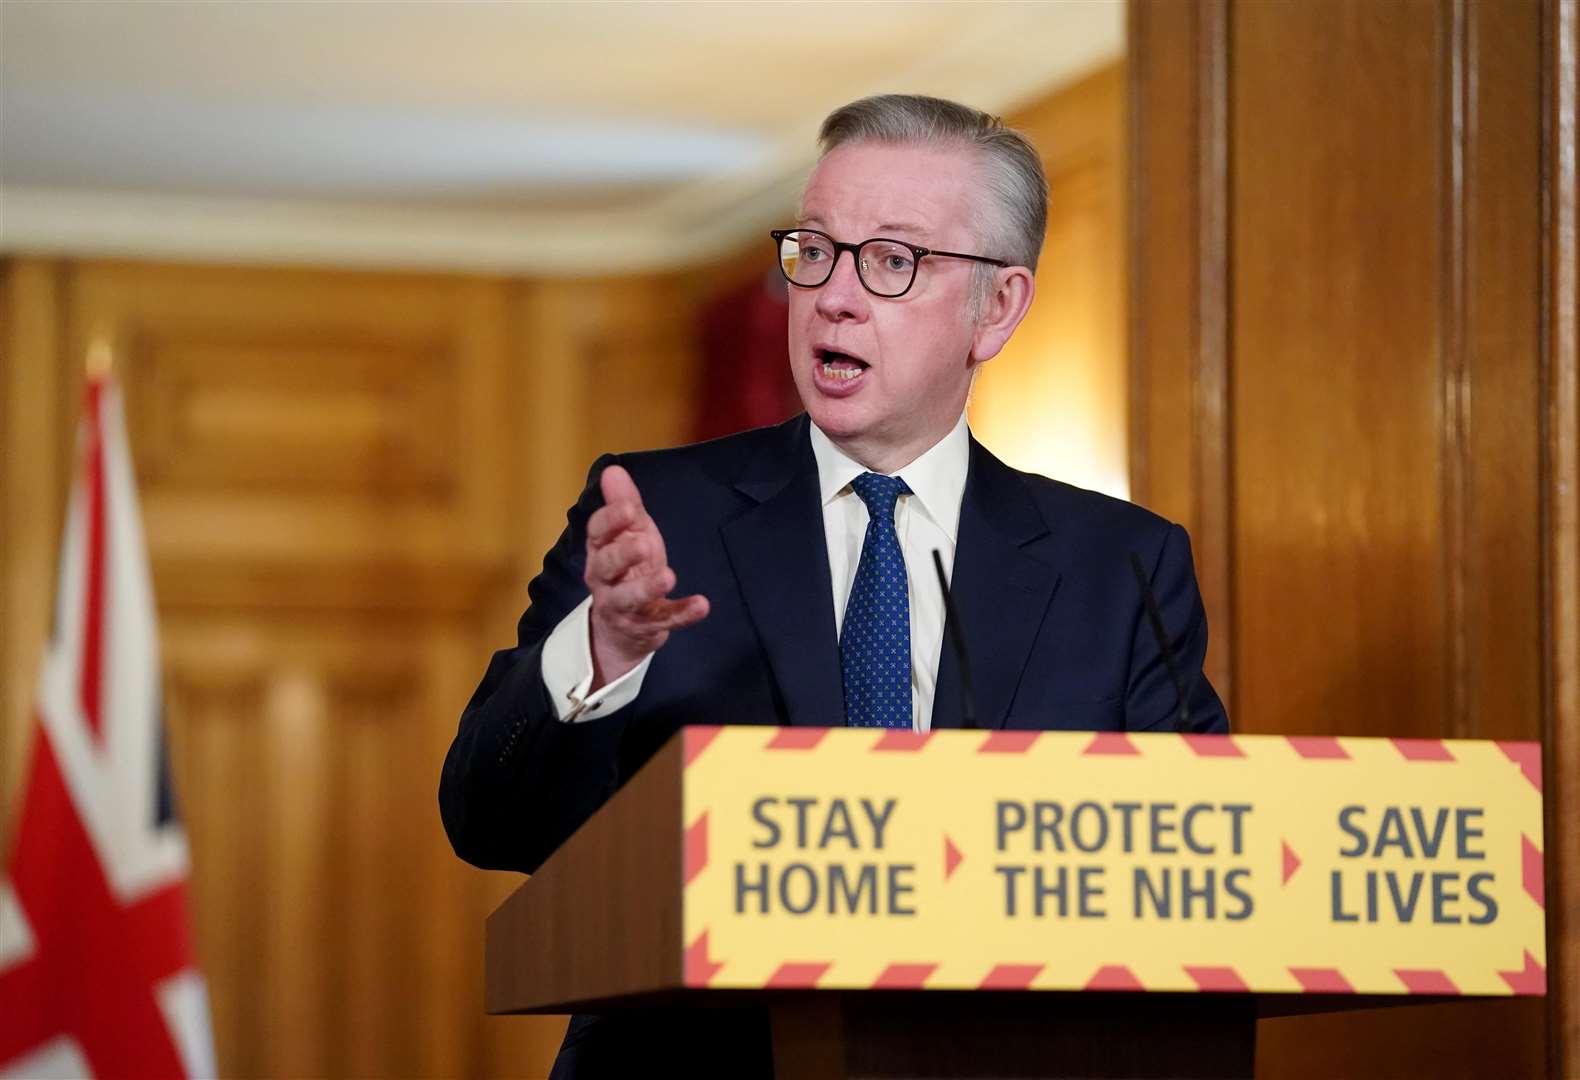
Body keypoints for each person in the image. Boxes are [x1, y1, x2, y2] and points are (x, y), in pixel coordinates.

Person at [439, 93, 1227, 1078]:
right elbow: (486, 820)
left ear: (998, 306)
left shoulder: (1118, 567)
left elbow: (1201, 876)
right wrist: (600, 653)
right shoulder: (656, 519)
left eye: (891, 260)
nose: (833, 296)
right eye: (813, 250)